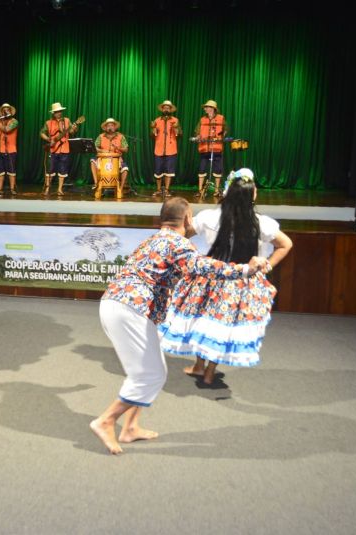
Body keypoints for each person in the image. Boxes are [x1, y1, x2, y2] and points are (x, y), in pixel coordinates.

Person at [90, 196, 271, 454]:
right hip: (130, 310)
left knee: (145, 372)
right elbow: (203, 267)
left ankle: (130, 427)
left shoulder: (153, 239)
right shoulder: (177, 243)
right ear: (187, 219)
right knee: (151, 374)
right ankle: (106, 420)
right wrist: (245, 269)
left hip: (116, 306)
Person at [159, 168, 293, 386]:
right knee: (222, 326)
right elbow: (286, 244)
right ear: (253, 195)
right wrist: (266, 266)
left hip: (212, 277)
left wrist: (187, 256)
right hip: (243, 282)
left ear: (226, 193)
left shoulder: (209, 218)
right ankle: (208, 370)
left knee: (205, 321)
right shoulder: (263, 223)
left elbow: (182, 234)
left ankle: (199, 366)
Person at [40, 102, 80, 196]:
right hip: (53, 149)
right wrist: (48, 139)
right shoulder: (48, 123)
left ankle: (59, 189)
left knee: (62, 170)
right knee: (50, 170)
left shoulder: (66, 121)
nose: (59, 113)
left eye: (60, 111)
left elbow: (71, 131)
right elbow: (42, 132)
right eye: (57, 111)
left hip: (64, 148)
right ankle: (47, 189)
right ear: (53, 113)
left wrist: (74, 128)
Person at [193, 99, 227, 199]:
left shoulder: (221, 118)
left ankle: (216, 190)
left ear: (213, 109)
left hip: (216, 148)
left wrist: (220, 136)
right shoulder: (202, 119)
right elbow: (197, 131)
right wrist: (198, 136)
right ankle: (200, 190)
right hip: (204, 148)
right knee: (202, 169)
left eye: (207, 107)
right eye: (205, 107)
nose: (205, 109)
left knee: (218, 169)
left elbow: (225, 130)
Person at [150, 100, 181, 196]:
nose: (166, 109)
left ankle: (167, 190)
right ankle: (159, 189)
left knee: (169, 170)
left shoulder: (175, 120)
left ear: (171, 109)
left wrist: (176, 128)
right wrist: (153, 129)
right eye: (165, 107)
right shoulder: (157, 120)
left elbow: (180, 134)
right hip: (159, 149)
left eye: (168, 108)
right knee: (158, 170)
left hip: (171, 149)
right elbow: (152, 136)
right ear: (162, 109)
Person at [90, 118, 129, 194]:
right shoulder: (101, 136)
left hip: (117, 159)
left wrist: (118, 148)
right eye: (108, 125)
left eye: (112, 125)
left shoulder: (121, 136)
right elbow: (94, 147)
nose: (110, 127)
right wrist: (102, 151)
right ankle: (96, 183)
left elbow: (126, 149)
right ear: (105, 128)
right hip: (102, 159)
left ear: (115, 127)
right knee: (92, 161)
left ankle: (120, 189)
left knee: (125, 169)